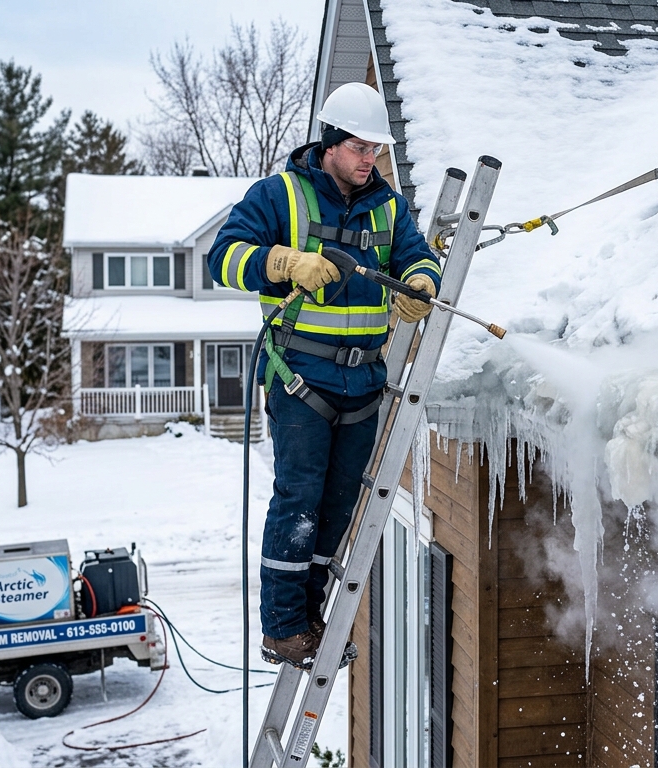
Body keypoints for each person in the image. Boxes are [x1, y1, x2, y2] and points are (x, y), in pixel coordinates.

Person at [208, 82, 442, 670]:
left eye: (377, 151)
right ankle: (283, 629)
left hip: (363, 384)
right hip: (300, 378)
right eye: (362, 148)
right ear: (332, 143)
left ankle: (310, 619)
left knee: (338, 508)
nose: (371, 160)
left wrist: (421, 282)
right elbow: (223, 257)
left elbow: (414, 254)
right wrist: (282, 262)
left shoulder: (386, 206)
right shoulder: (279, 195)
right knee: (299, 502)